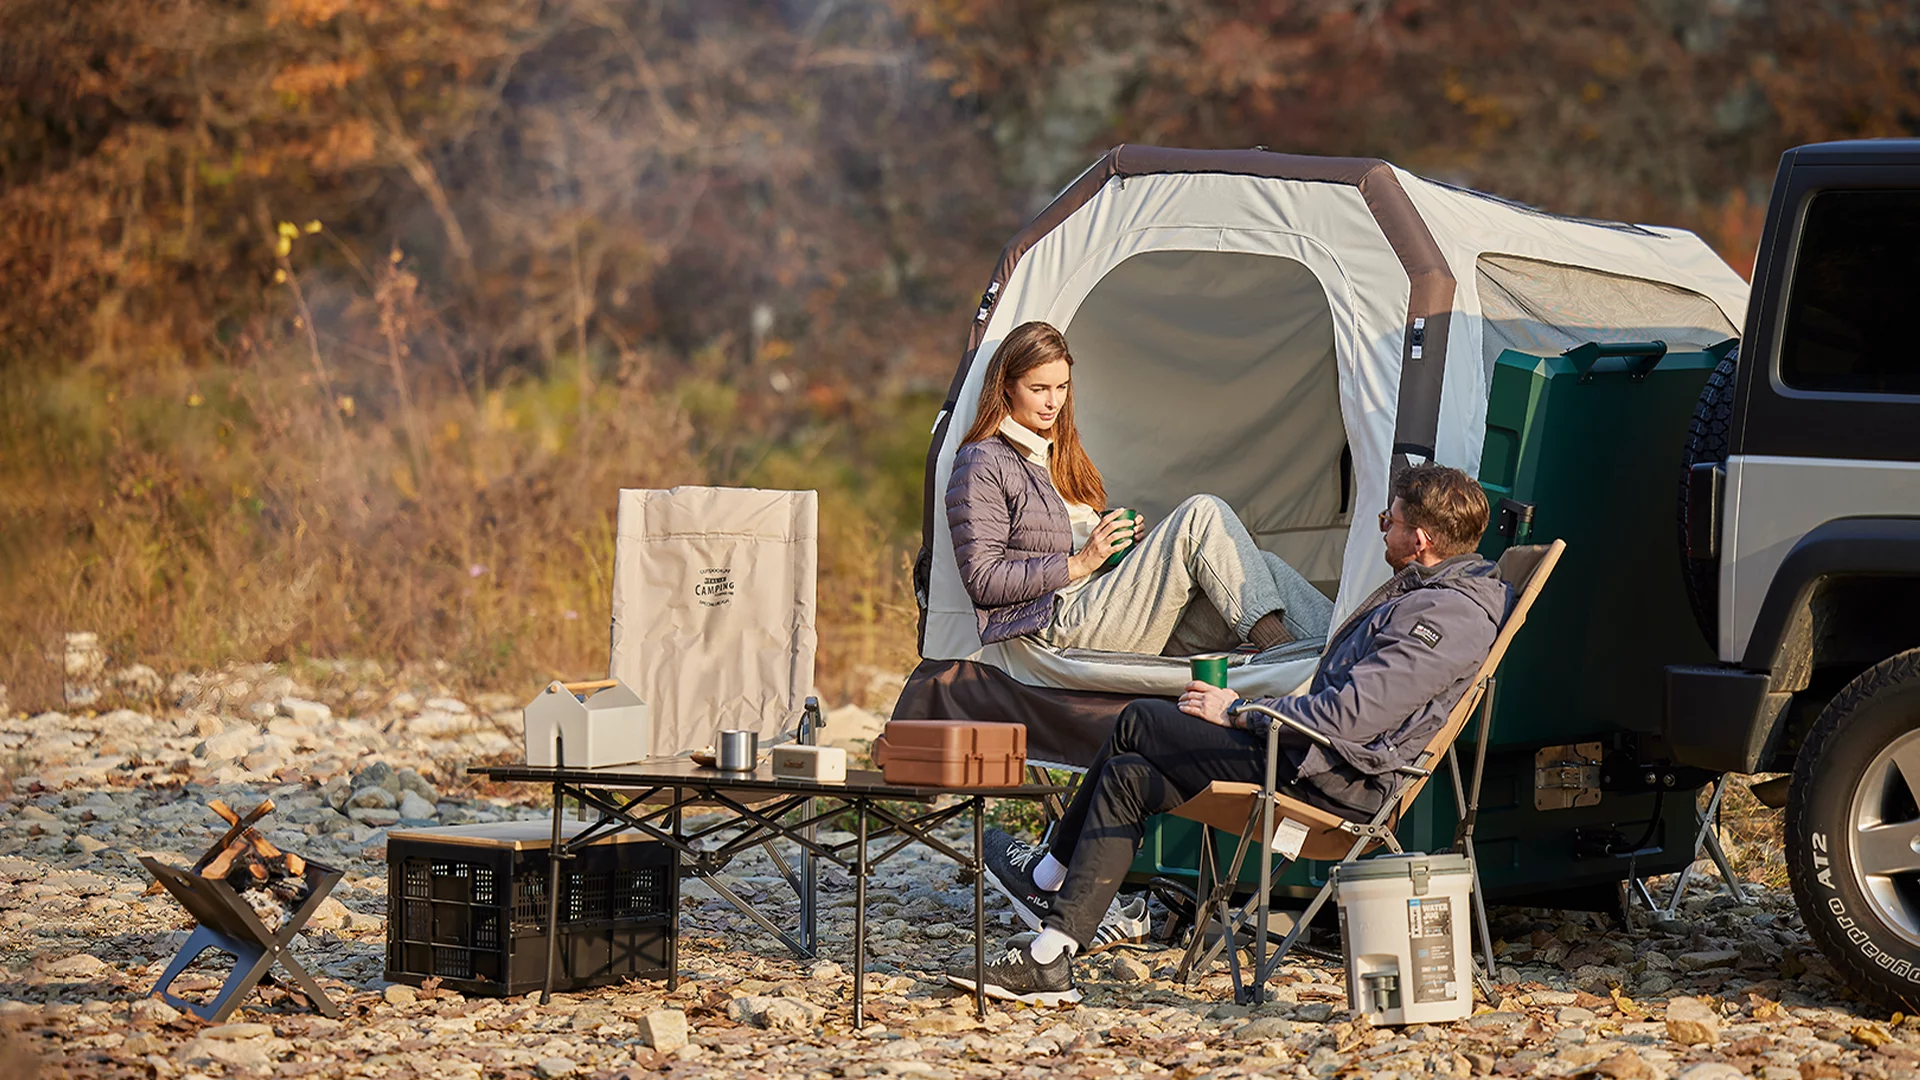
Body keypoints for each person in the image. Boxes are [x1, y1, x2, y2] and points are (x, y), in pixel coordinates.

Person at [948, 462, 1514, 1005]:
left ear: (1420, 539)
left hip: (1330, 779)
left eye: (1387, 519)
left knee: (1141, 719)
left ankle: (1047, 872)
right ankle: (1052, 953)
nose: (1381, 526)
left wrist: (1239, 710)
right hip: (1309, 754)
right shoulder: (1430, 595)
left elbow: (1350, 718)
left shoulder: (1446, 617)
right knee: (1129, 775)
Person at [946, 320, 1331, 658]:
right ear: (1008, 387)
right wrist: (1081, 562)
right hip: (1061, 620)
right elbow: (983, 579)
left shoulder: (1055, 453)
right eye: (1039, 388)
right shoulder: (983, 461)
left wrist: (1116, 542)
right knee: (1200, 513)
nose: (1053, 402)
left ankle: (1357, 648)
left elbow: (1064, 535)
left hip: (1112, 608)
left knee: (1262, 570)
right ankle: (1282, 654)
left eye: (1062, 387)